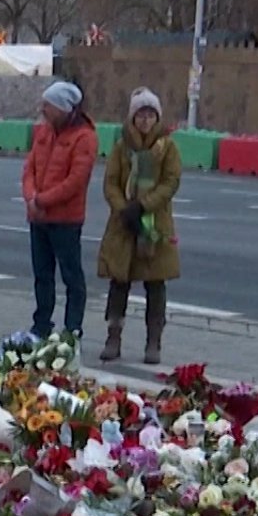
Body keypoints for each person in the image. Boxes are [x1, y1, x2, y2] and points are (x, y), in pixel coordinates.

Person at [96, 87, 182, 364]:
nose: (145, 121)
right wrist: (124, 209)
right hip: (124, 224)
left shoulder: (167, 147)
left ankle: (153, 341)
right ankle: (113, 336)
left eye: (150, 115)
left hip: (154, 225)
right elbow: (110, 182)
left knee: (155, 285)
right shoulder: (122, 147)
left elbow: (171, 182)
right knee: (119, 282)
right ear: (132, 118)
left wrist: (143, 205)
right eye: (140, 115)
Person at [22, 79, 97, 340]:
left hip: (65, 219)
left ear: (64, 109)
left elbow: (75, 181)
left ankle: (72, 327)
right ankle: (41, 323)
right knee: (42, 275)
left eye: (48, 106)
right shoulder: (43, 133)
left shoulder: (84, 138)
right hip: (38, 217)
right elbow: (29, 169)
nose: (43, 110)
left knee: (71, 276)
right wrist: (32, 197)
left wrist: (43, 200)